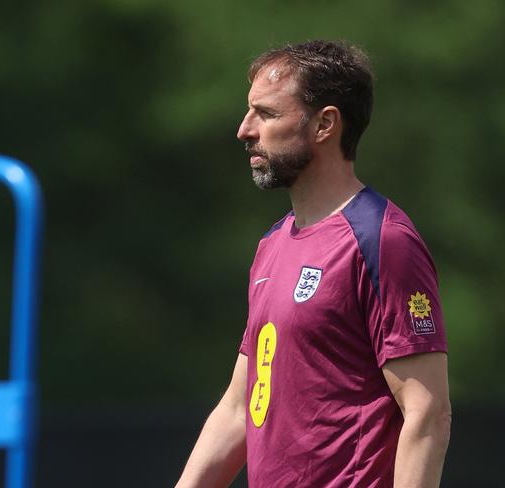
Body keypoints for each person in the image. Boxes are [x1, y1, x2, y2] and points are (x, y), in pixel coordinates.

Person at [175, 40, 451, 488]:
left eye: (266, 114)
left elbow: (427, 412)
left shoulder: (383, 240)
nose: (245, 130)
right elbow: (240, 407)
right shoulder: (272, 244)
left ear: (325, 124)